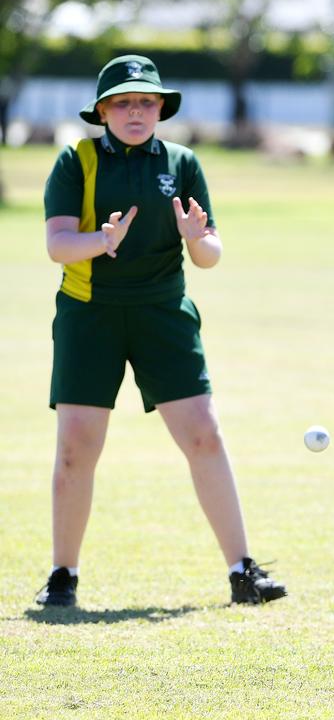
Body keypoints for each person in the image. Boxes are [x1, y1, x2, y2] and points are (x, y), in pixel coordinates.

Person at [36, 55, 286, 607]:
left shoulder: (182, 161)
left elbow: (210, 256)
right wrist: (101, 241)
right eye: (123, 102)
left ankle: (244, 572)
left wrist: (196, 236)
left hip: (163, 313)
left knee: (204, 434)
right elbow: (58, 244)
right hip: (89, 314)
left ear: (160, 109)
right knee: (77, 448)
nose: (135, 111)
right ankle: (63, 575)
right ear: (102, 111)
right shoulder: (75, 161)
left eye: (146, 102)